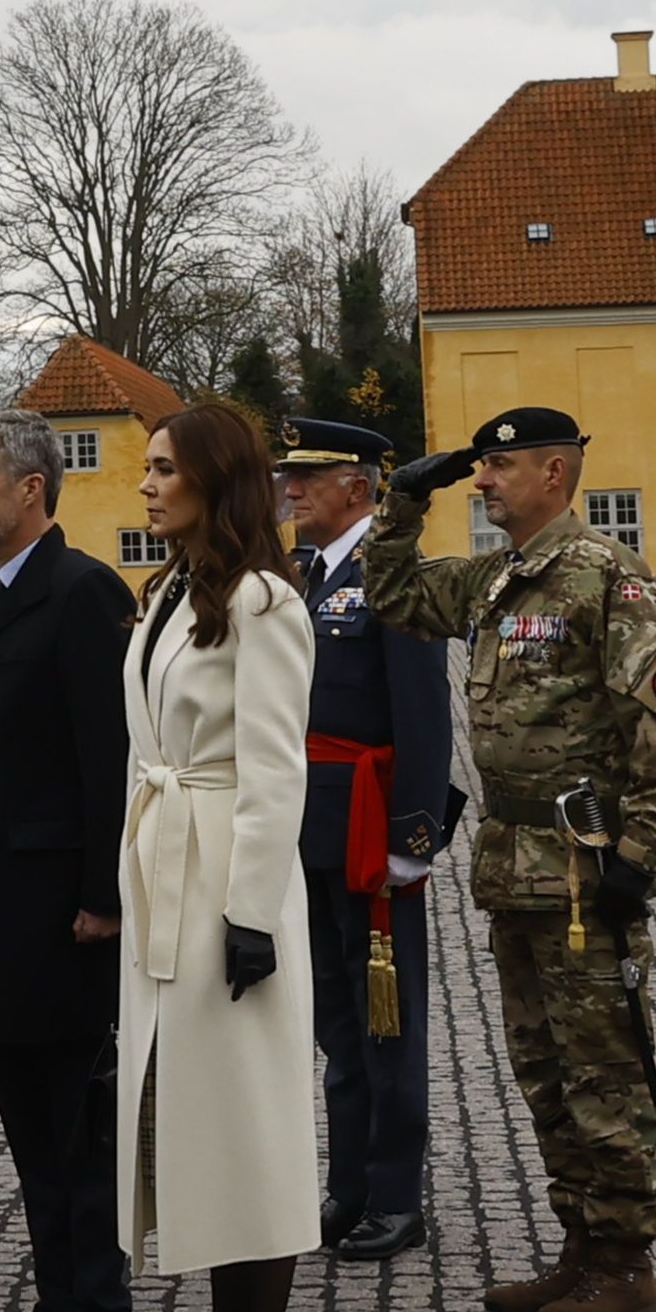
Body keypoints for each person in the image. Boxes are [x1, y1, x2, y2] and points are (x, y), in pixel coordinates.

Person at [371, 409, 656, 1312]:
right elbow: (395, 597)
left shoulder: (606, 577)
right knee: (545, 1073)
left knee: (605, 1072)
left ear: (554, 473)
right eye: (480, 467)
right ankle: (581, 1248)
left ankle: (627, 1264)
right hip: (513, 866)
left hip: (584, 871)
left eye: (500, 465)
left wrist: (639, 852)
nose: (482, 481)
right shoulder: (496, 577)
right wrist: (401, 505)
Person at [116, 403, 318, 1312]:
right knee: (189, 1120)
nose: (146, 485)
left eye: (165, 469)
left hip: (230, 882)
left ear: (213, 479)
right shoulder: (168, 593)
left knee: (245, 1127)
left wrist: (250, 914)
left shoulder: (263, 602)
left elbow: (277, 767)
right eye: (147, 468)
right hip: (167, 871)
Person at [0, 409, 138, 1312]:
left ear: (29, 488)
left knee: (78, 1125)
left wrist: (104, 895)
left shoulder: (83, 591)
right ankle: (55, 1307)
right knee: (27, 1122)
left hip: (64, 913)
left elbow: (109, 755)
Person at [277, 418, 454, 1266]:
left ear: (357, 487)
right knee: (336, 1022)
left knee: (388, 1022)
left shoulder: (391, 577)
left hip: (369, 833)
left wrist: (414, 837)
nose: (291, 489)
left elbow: (422, 715)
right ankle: (347, 1186)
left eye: (307, 477)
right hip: (309, 829)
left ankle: (394, 1196)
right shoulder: (304, 577)